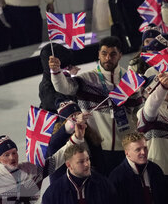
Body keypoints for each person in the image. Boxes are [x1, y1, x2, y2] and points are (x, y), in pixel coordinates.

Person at [50, 36, 135, 171]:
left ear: (120, 55)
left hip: (127, 146)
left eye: (113, 54)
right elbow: (64, 87)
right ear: (98, 54)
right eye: (104, 53)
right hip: (99, 147)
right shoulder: (87, 79)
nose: (108, 58)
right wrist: (56, 72)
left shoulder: (130, 80)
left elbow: (138, 111)